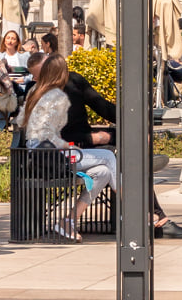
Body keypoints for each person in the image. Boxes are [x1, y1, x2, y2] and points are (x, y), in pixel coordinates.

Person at [20, 55, 115, 236]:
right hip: (51, 159)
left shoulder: (39, 92)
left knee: (103, 172)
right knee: (109, 157)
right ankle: (134, 209)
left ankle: (68, 221)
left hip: (50, 155)